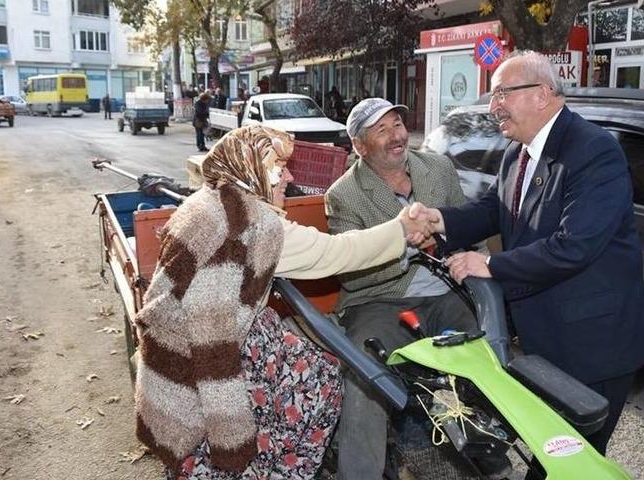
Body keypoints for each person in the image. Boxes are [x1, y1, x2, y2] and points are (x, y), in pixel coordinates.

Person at [134, 125, 433, 480]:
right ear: (251, 169)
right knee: (318, 385)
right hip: (201, 363)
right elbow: (335, 253)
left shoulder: (209, 200)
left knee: (311, 370)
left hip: (177, 351)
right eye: (278, 166)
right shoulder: (254, 226)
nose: (289, 176)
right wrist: (400, 229)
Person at [409, 51, 644, 474]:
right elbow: (493, 209)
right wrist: (440, 220)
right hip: (549, 339)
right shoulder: (517, 153)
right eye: (492, 94)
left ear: (542, 94)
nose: (493, 105)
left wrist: (491, 266)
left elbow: (574, 245)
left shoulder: (595, 152)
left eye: (503, 92)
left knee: (568, 462)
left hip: (595, 345)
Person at [324, 98, 478, 480]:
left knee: (488, 348)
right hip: (380, 299)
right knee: (365, 374)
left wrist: (472, 264)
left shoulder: (438, 167)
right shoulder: (344, 195)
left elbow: (465, 227)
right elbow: (353, 275)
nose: (397, 136)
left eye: (397, 124)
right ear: (359, 146)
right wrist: (407, 246)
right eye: (382, 130)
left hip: (445, 289)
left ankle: (487, 453)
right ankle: (360, 474)